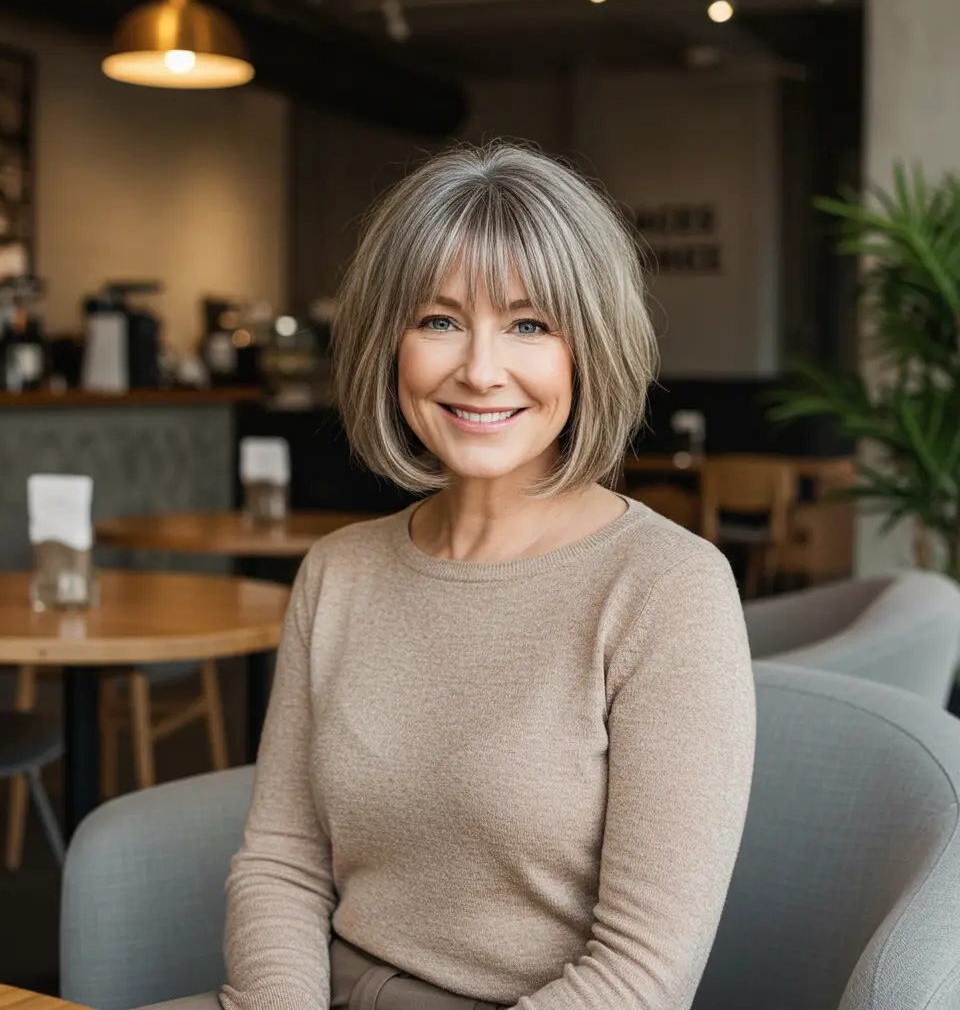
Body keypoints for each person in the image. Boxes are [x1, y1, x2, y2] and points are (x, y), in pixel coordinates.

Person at [221, 142, 755, 1010]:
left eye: (530, 324)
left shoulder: (668, 588)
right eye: (438, 320)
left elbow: (643, 973)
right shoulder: (337, 572)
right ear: (386, 345)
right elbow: (282, 860)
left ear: (591, 350)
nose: (478, 367)